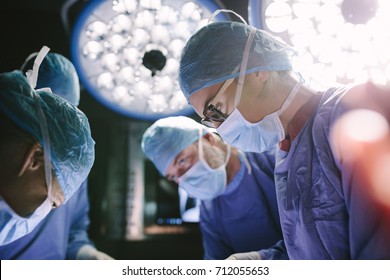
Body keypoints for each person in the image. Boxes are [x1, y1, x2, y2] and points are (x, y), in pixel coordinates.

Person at [178, 18, 390, 259]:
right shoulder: (287, 154)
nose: (220, 129)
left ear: (257, 71)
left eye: (215, 110)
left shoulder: (354, 112)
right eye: (210, 121)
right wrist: (263, 261)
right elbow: (313, 254)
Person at [0, 48, 110, 259]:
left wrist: (86, 254)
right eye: (50, 109)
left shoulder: (70, 163)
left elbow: (75, 229)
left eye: (67, 115)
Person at [141, 116, 287, 260]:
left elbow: (309, 240)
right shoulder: (209, 211)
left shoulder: (275, 160)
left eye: (182, 161)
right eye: (172, 176)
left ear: (208, 139)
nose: (182, 178)